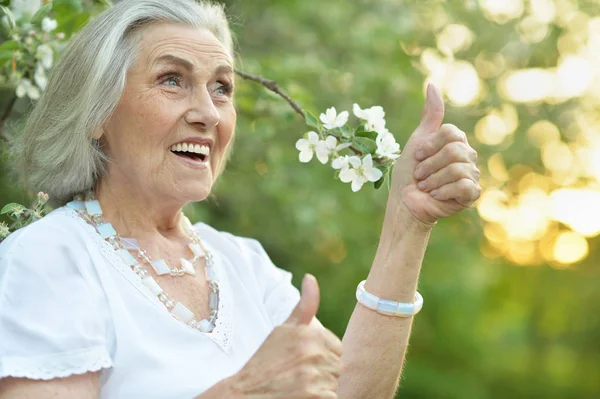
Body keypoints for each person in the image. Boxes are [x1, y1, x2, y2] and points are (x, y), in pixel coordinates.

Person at [0, 0, 481, 397]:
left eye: (222, 88)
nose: (208, 113)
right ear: (97, 112)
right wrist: (243, 392)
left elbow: (347, 392)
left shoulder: (243, 264)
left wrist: (407, 219)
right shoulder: (50, 258)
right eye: (172, 79)